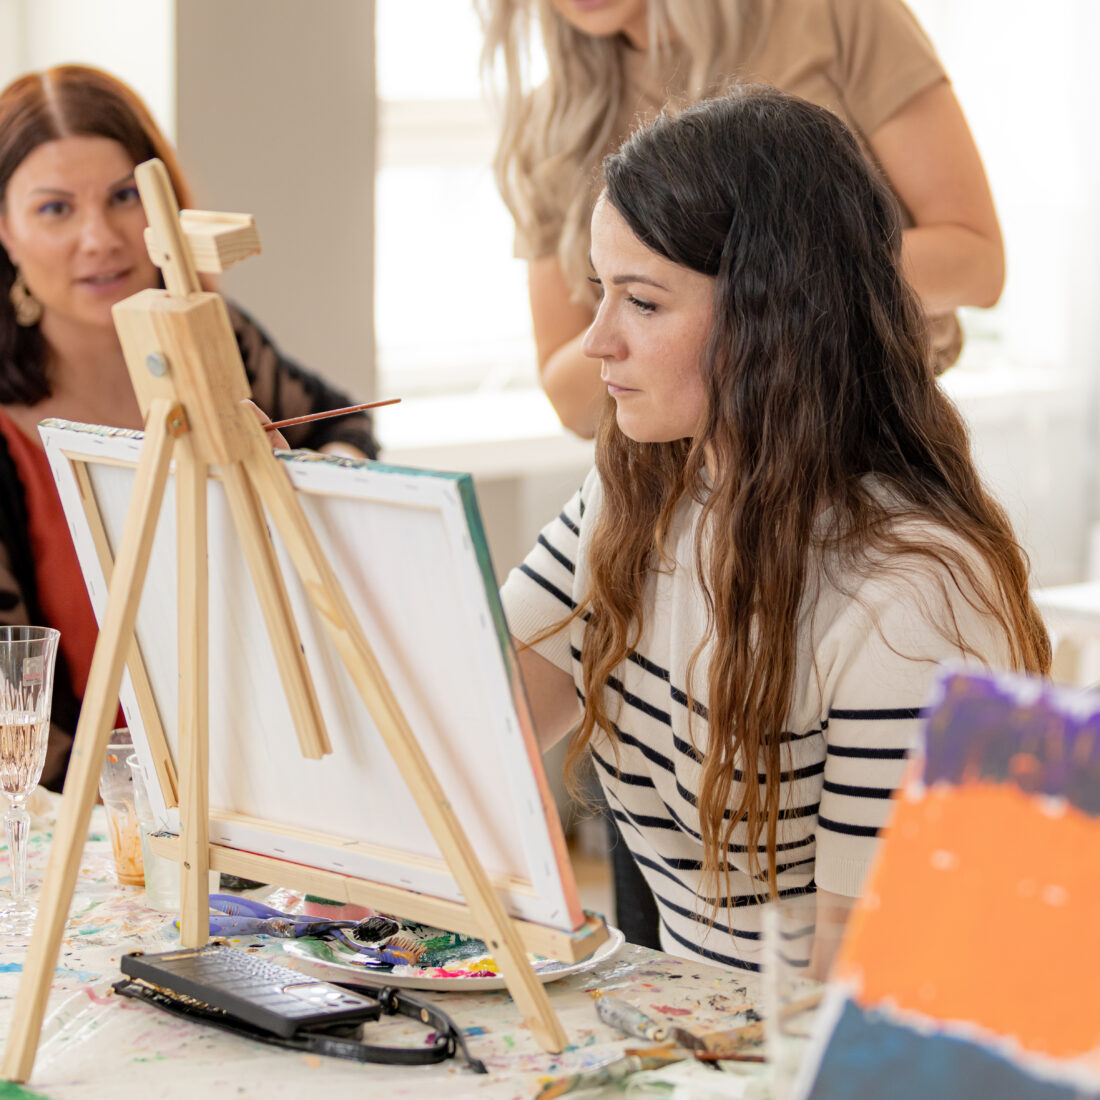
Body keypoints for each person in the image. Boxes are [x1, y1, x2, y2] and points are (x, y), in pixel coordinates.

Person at [499, 87, 1049, 970]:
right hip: (705, 1027)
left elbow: (869, 982)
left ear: (772, 317)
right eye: (601, 292)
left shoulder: (914, 599)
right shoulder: (637, 492)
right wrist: (287, 518)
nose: (596, 340)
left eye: (643, 303)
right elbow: (466, 732)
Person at [0, 65, 380, 791]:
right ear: (6, 231)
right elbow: (13, 711)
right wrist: (132, 805)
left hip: (271, 769)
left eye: (124, 198)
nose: (100, 238)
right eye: (55, 209)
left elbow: (346, 425)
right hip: (90, 806)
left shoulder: (215, 337)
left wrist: (317, 478)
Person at [478, 0, 1005, 438]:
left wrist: (720, 295)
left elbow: (977, 262)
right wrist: (670, 310)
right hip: (671, 486)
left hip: (855, 445)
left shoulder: (834, 14)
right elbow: (570, 398)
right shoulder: (551, 122)